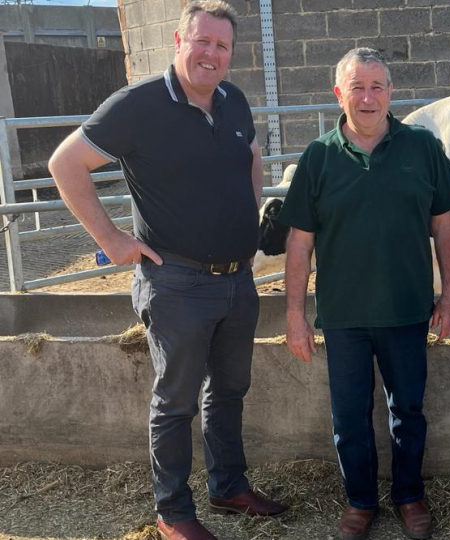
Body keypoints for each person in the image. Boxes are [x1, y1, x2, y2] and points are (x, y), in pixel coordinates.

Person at [47, 2, 287, 539]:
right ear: (179, 40)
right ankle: (173, 512)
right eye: (202, 41)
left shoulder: (233, 99)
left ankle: (228, 486)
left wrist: (247, 224)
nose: (211, 54)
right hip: (176, 281)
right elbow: (65, 164)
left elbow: (250, 155)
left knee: (229, 389)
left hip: (236, 278)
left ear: (230, 54)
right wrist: (111, 240)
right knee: (175, 400)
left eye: (221, 46)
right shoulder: (138, 105)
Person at [278, 47, 450, 540]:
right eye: (356, 87)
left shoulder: (422, 147)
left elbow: (445, 224)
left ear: (391, 93)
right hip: (342, 316)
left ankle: (409, 496)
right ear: (338, 94)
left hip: (407, 311)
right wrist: (295, 316)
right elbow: (299, 242)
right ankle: (359, 502)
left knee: (408, 409)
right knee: (349, 417)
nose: (367, 97)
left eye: (377, 86)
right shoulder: (317, 157)